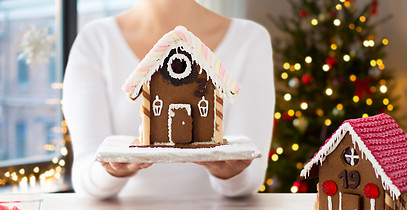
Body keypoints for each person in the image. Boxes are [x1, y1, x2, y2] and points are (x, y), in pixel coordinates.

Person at [62, 0, 275, 199]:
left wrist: (231, 174)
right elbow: (85, 176)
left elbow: (251, 175)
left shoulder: (250, 39)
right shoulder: (95, 40)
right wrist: (112, 171)